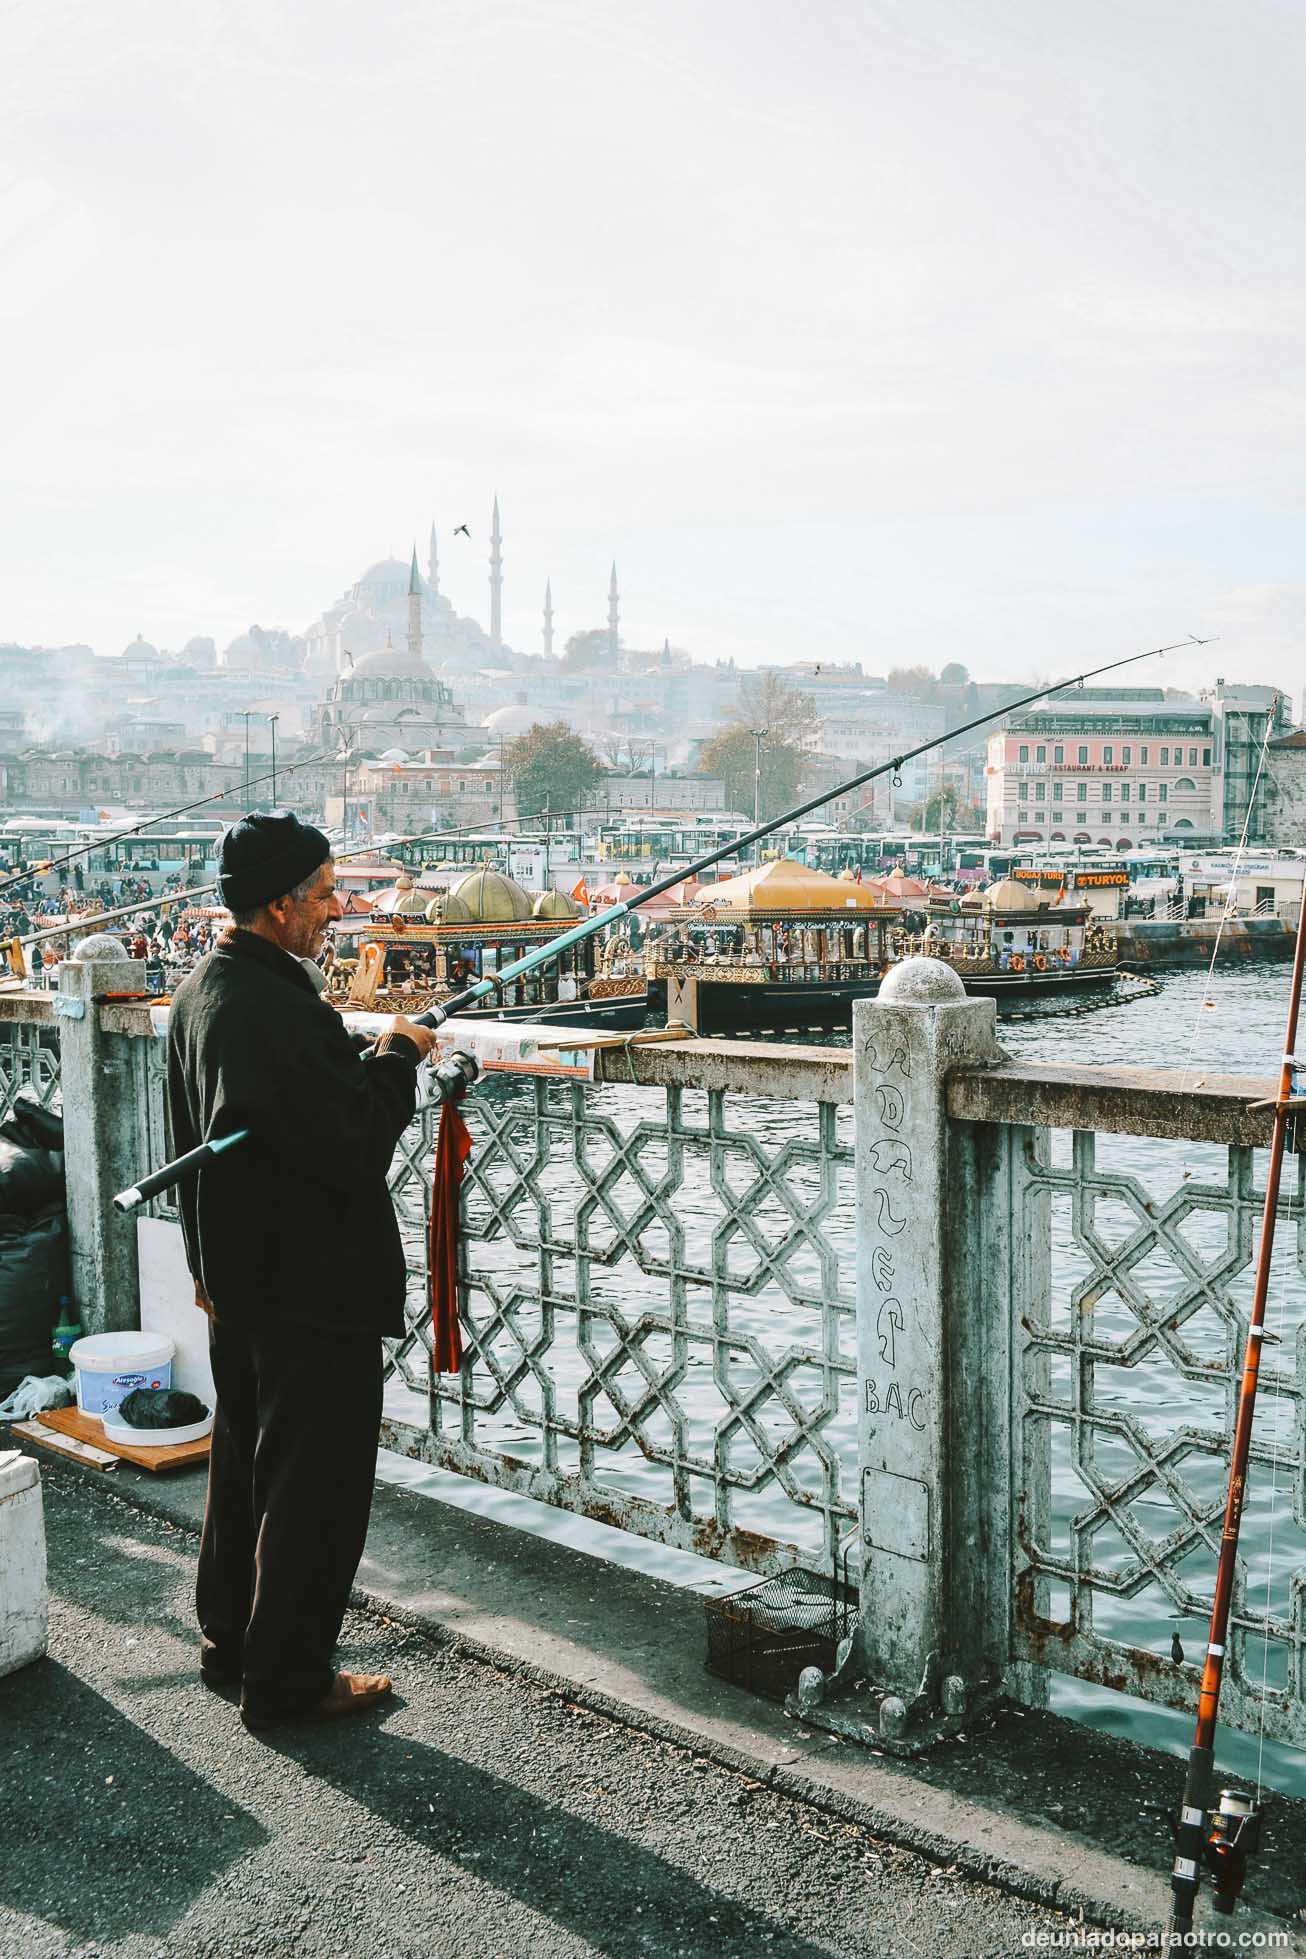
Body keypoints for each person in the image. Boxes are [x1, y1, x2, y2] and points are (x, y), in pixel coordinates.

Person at [166, 811, 438, 1733]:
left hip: (238, 1282)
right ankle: (287, 1681)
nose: (336, 907)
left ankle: (232, 1642)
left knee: (244, 1467)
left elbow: (234, 1133)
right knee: (312, 1490)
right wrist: (398, 1054)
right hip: (311, 1291)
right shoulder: (278, 1008)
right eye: (323, 893)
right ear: (279, 905)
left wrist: (202, 1265)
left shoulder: (205, 990)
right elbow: (353, 1140)